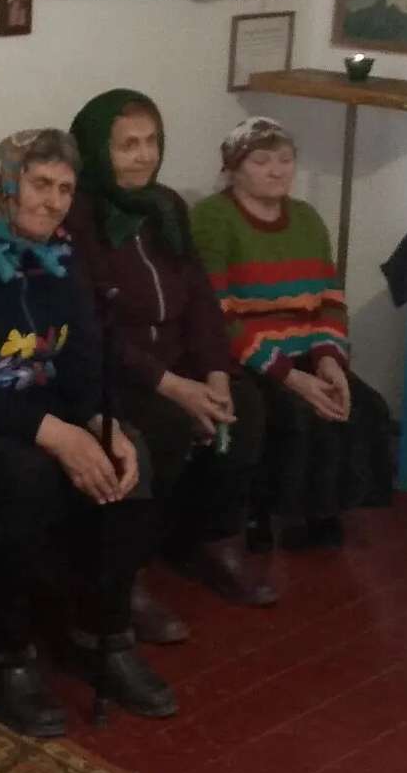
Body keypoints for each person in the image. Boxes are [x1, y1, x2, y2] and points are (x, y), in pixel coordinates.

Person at [0, 130, 175, 735]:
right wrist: (52, 432)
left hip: (49, 411)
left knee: (128, 454)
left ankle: (103, 635)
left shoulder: (60, 254)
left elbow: (84, 356)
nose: (53, 202)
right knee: (23, 478)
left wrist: (100, 422)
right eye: (39, 184)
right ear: (6, 182)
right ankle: (0, 653)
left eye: (64, 189)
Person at [65, 89, 276, 646]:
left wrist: (215, 373)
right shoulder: (79, 216)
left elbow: (200, 298)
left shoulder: (166, 207)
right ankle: (127, 576)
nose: (143, 156)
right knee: (163, 428)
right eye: (127, 145)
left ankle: (213, 543)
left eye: (151, 141)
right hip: (120, 372)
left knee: (244, 406)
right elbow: (91, 327)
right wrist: (174, 387)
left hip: (180, 362)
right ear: (97, 150)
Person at [190, 118, 394, 550]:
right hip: (246, 357)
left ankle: (323, 510)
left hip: (306, 349)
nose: (277, 170)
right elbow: (215, 313)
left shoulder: (307, 219)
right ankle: (261, 513)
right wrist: (290, 375)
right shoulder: (213, 218)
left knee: (363, 406)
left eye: (285, 160)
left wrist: (328, 359)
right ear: (233, 169)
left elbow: (330, 299)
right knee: (293, 412)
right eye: (262, 161)